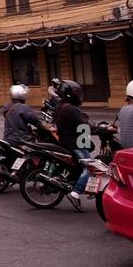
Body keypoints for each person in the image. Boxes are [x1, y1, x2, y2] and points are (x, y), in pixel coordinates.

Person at [52, 80, 94, 210]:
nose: (78, 95)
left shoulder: (61, 105)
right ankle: (75, 193)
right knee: (90, 167)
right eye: (76, 93)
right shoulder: (70, 109)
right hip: (74, 143)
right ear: (69, 94)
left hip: (66, 140)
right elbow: (83, 127)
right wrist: (104, 129)